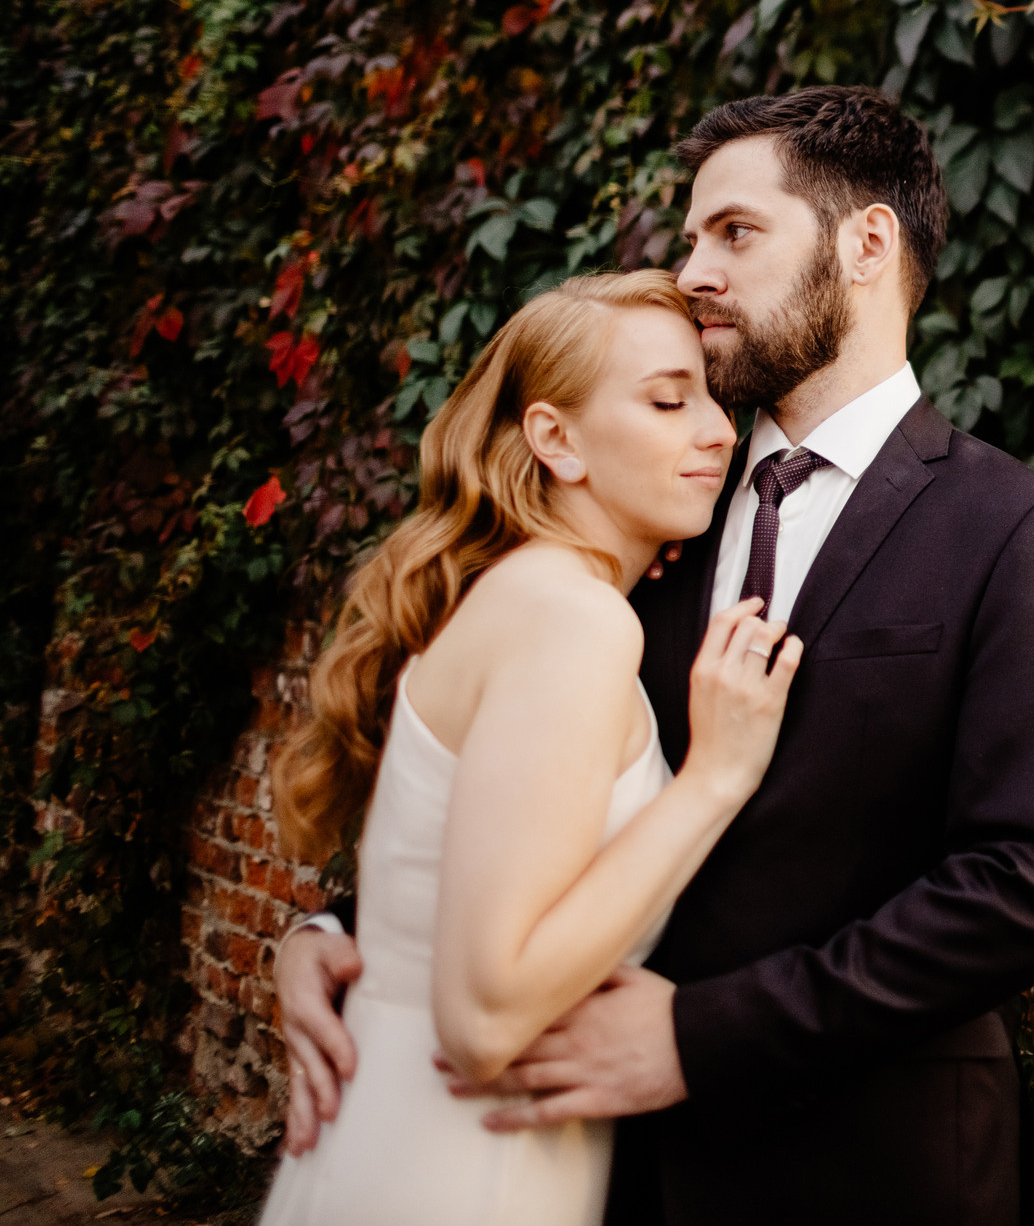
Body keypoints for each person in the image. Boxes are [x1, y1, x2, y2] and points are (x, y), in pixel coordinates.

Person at [271, 85, 1034, 1223]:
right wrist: (346, 929)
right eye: (690, 238)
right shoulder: (655, 499)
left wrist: (695, 1035)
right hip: (609, 1166)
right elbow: (533, 779)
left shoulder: (1022, 530)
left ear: (868, 244)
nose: (693, 273)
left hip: (870, 1168)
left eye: (734, 232)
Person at [259, 268, 803, 1226]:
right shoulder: (571, 619)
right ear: (556, 438)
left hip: (401, 1139)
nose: (721, 431)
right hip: (463, 1174)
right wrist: (714, 778)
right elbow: (485, 1017)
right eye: (668, 401)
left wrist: (317, 934)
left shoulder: (524, 595)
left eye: (713, 400)